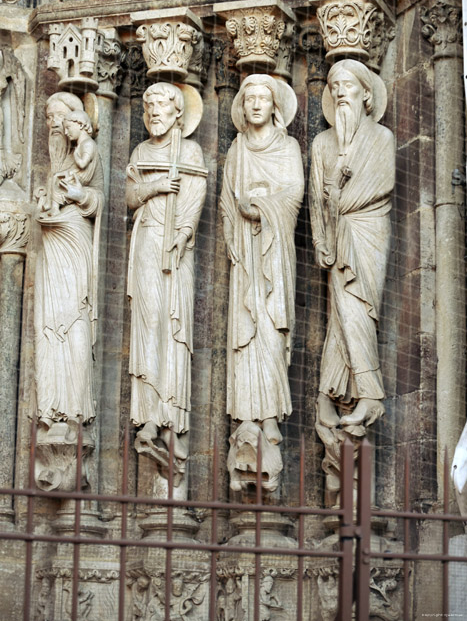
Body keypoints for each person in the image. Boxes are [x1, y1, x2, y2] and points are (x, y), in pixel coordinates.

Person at [309, 59, 395, 429]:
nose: (340, 91)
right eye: (333, 86)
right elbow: (315, 197)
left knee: (356, 309)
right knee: (340, 313)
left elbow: (381, 185)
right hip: (334, 233)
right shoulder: (322, 143)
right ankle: (334, 391)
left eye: (347, 84)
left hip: (367, 231)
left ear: (366, 93)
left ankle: (370, 395)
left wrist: (338, 197)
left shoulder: (381, 137)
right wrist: (318, 238)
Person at [220, 74, 304, 447]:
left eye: (262, 98)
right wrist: (239, 218)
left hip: (274, 249)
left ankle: (270, 415)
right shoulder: (236, 149)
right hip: (245, 253)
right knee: (244, 332)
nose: (255, 104)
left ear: (275, 106)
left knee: (269, 330)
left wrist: (261, 207)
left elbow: (295, 195)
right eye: (249, 98)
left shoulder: (288, 148)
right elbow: (225, 201)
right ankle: (247, 414)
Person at [126, 82, 206, 462]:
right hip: (145, 243)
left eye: (162, 106)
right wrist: (155, 185)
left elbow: (195, 197)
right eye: (150, 106)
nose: (155, 112)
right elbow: (129, 196)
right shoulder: (142, 151)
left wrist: (185, 232)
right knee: (148, 323)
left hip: (175, 247)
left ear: (178, 113)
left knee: (174, 326)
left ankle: (170, 414)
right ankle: (146, 416)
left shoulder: (190, 151)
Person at [34, 92, 104, 430]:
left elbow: (96, 196)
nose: (54, 126)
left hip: (74, 239)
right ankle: (51, 403)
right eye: (49, 120)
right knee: (48, 324)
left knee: (75, 316)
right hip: (51, 244)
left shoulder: (86, 153)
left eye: (60, 119)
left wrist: (78, 197)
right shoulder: (59, 160)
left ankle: (75, 404)